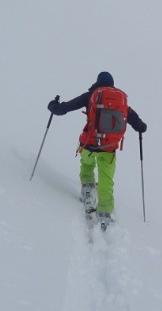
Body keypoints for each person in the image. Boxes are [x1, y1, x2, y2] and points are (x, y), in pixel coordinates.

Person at [48, 72, 146, 224]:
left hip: (89, 143)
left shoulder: (90, 96)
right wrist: (141, 127)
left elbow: (64, 109)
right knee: (106, 179)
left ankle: (88, 191)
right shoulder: (120, 101)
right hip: (109, 148)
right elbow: (138, 123)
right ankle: (105, 213)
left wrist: (53, 106)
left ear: (97, 82)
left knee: (87, 166)